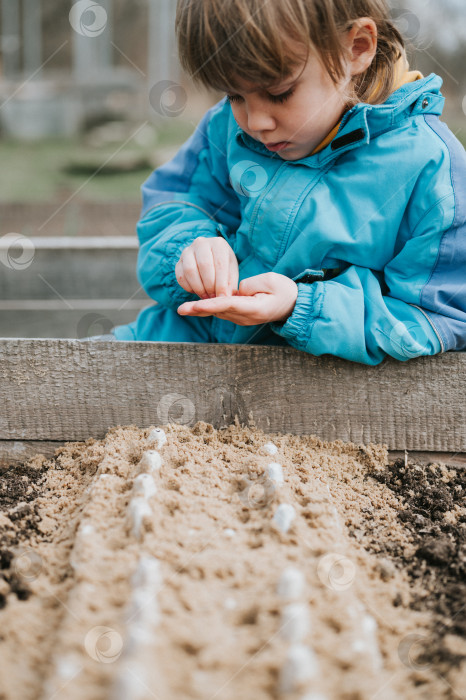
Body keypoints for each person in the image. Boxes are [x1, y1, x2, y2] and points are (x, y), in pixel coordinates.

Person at [110, 0, 466, 365]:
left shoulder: (431, 171)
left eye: (279, 93)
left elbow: (439, 317)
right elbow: (174, 202)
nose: (256, 121)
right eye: (234, 95)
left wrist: (302, 307)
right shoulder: (227, 126)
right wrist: (189, 249)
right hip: (178, 342)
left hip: (310, 391)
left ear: (357, 47)